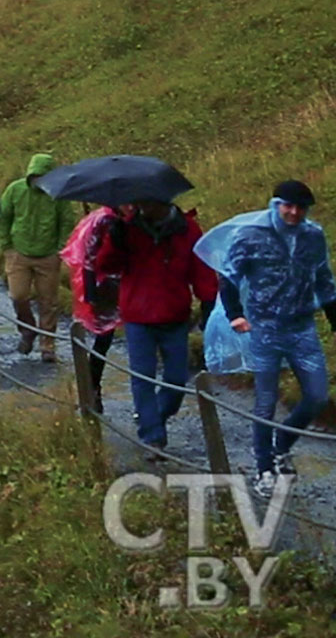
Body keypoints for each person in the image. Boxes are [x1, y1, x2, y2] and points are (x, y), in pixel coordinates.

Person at [200, 181, 336, 498]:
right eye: (287, 205)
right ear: (276, 204)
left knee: (317, 396)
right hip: (264, 327)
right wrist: (235, 314)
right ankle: (263, 467)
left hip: (302, 327)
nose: (293, 212)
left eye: (300, 208)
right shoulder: (251, 233)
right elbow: (229, 276)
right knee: (265, 402)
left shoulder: (313, 236)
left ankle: (281, 445)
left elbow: (325, 282)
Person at [96, 199, 218, 452]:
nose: (142, 208)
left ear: (163, 201)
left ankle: (154, 418)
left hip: (174, 316)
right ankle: (153, 437)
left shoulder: (188, 229)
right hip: (138, 316)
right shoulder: (127, 228)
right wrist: (113, 241)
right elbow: (106, 265)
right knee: (143, 377)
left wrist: (208, 303)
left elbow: (202, 269)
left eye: (148, 203)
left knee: (176, 380)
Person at [0, 154, 75, 361]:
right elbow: (4, 217)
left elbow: (66, 222)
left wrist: (60, 249)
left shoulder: (58, 195)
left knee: (48, 301)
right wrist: (7, 246)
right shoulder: (15, 190)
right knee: (18, 295)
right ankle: (27, 328)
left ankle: (47, 345)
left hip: (48, 255)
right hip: (18, 253)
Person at [62, 206, 126, 411]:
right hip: (105, 286)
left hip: (131, 283)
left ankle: (92, 386)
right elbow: (89, 258)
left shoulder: (138, 218)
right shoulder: (103, 221)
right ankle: (92, 386)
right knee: (104, 338)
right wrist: (90, 292)